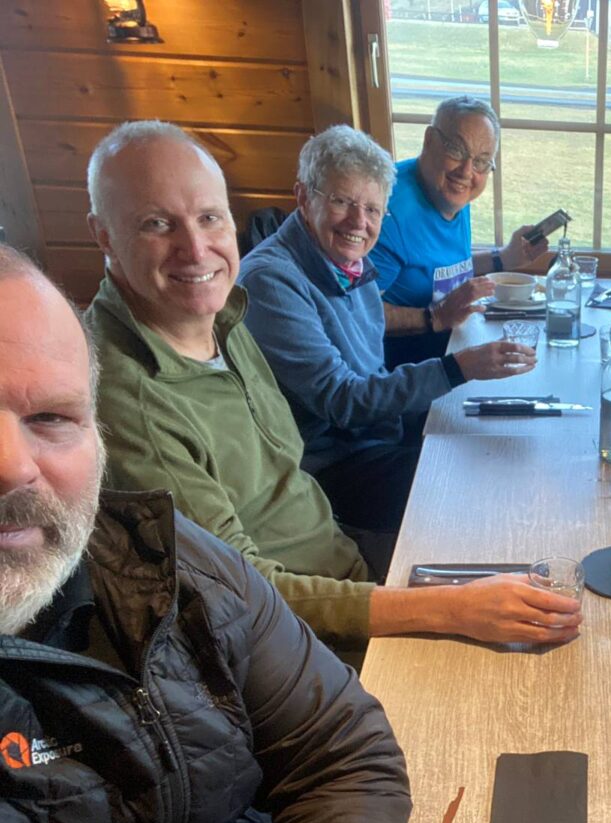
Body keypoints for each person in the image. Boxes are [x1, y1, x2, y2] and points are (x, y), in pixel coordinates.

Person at [0, 243, 412, 823]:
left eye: (52, 418)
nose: (12, 464)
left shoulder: (161, 553)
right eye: (155, 225)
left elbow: (342, 753)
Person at [86, 121, 581, 651]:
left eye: (210, 218)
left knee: (511, 505)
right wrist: (444, 606)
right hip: (296, 626)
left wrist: (436, 319)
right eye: (157, 224)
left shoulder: (225, 314)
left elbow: (290, 487)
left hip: (337, 556)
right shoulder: (146, 391)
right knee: (486, 515)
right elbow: (240, 591)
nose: (195, 248)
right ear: (104, 236)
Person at [239, 125, 534, 533]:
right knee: (477, 488)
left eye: (373, 209)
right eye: (342, 201)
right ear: (304, 197)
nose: (359, 222)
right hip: (331, 468)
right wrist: (456, 368)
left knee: (506, 444)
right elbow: (342, 400)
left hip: (377, 434)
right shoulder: (270, 281)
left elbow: (371, 378)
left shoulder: (346, 261)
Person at [368, 96, 547, 369]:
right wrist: (434, 317)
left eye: (482, 162)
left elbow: (439, 270)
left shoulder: (449, 192)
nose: (466, 171)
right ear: (429, 140)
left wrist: (504, 259)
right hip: (402, 372)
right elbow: (357, 313)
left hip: (452, 351)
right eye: (456, 150)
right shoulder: (385, 210)